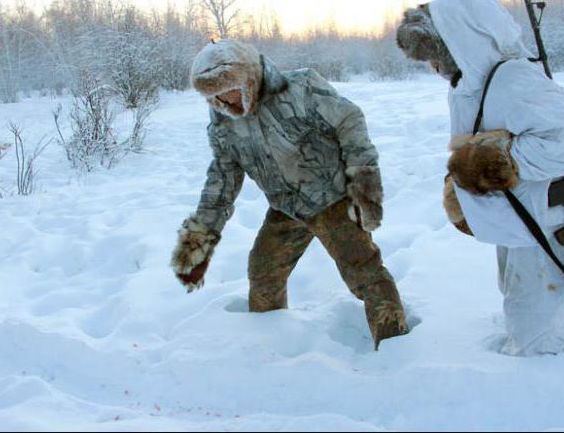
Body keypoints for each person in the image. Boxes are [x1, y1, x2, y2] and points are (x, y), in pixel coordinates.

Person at [170, 39, 409, 350]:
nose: (224, 99)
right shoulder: (223, 123)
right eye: (214, 94)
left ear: (250, 77)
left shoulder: (299, 88)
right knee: (263, 270)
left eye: (230, 87)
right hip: (286, 207)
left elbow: (349, 120)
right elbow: (222, 179)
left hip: (332, 199)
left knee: (364, 272)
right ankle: (269, 342)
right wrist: (198, 240)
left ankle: (394, 347)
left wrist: (363, 184)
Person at [396, 0, 564, 356]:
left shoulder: (514, 78)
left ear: (460, 41)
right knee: (519, 294)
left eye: (437, 56)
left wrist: (487, 163)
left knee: (534, 320)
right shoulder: (472, 83)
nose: (434, 66)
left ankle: (547, 382)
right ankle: (540, 346)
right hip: (519, 215)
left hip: (541, 219)